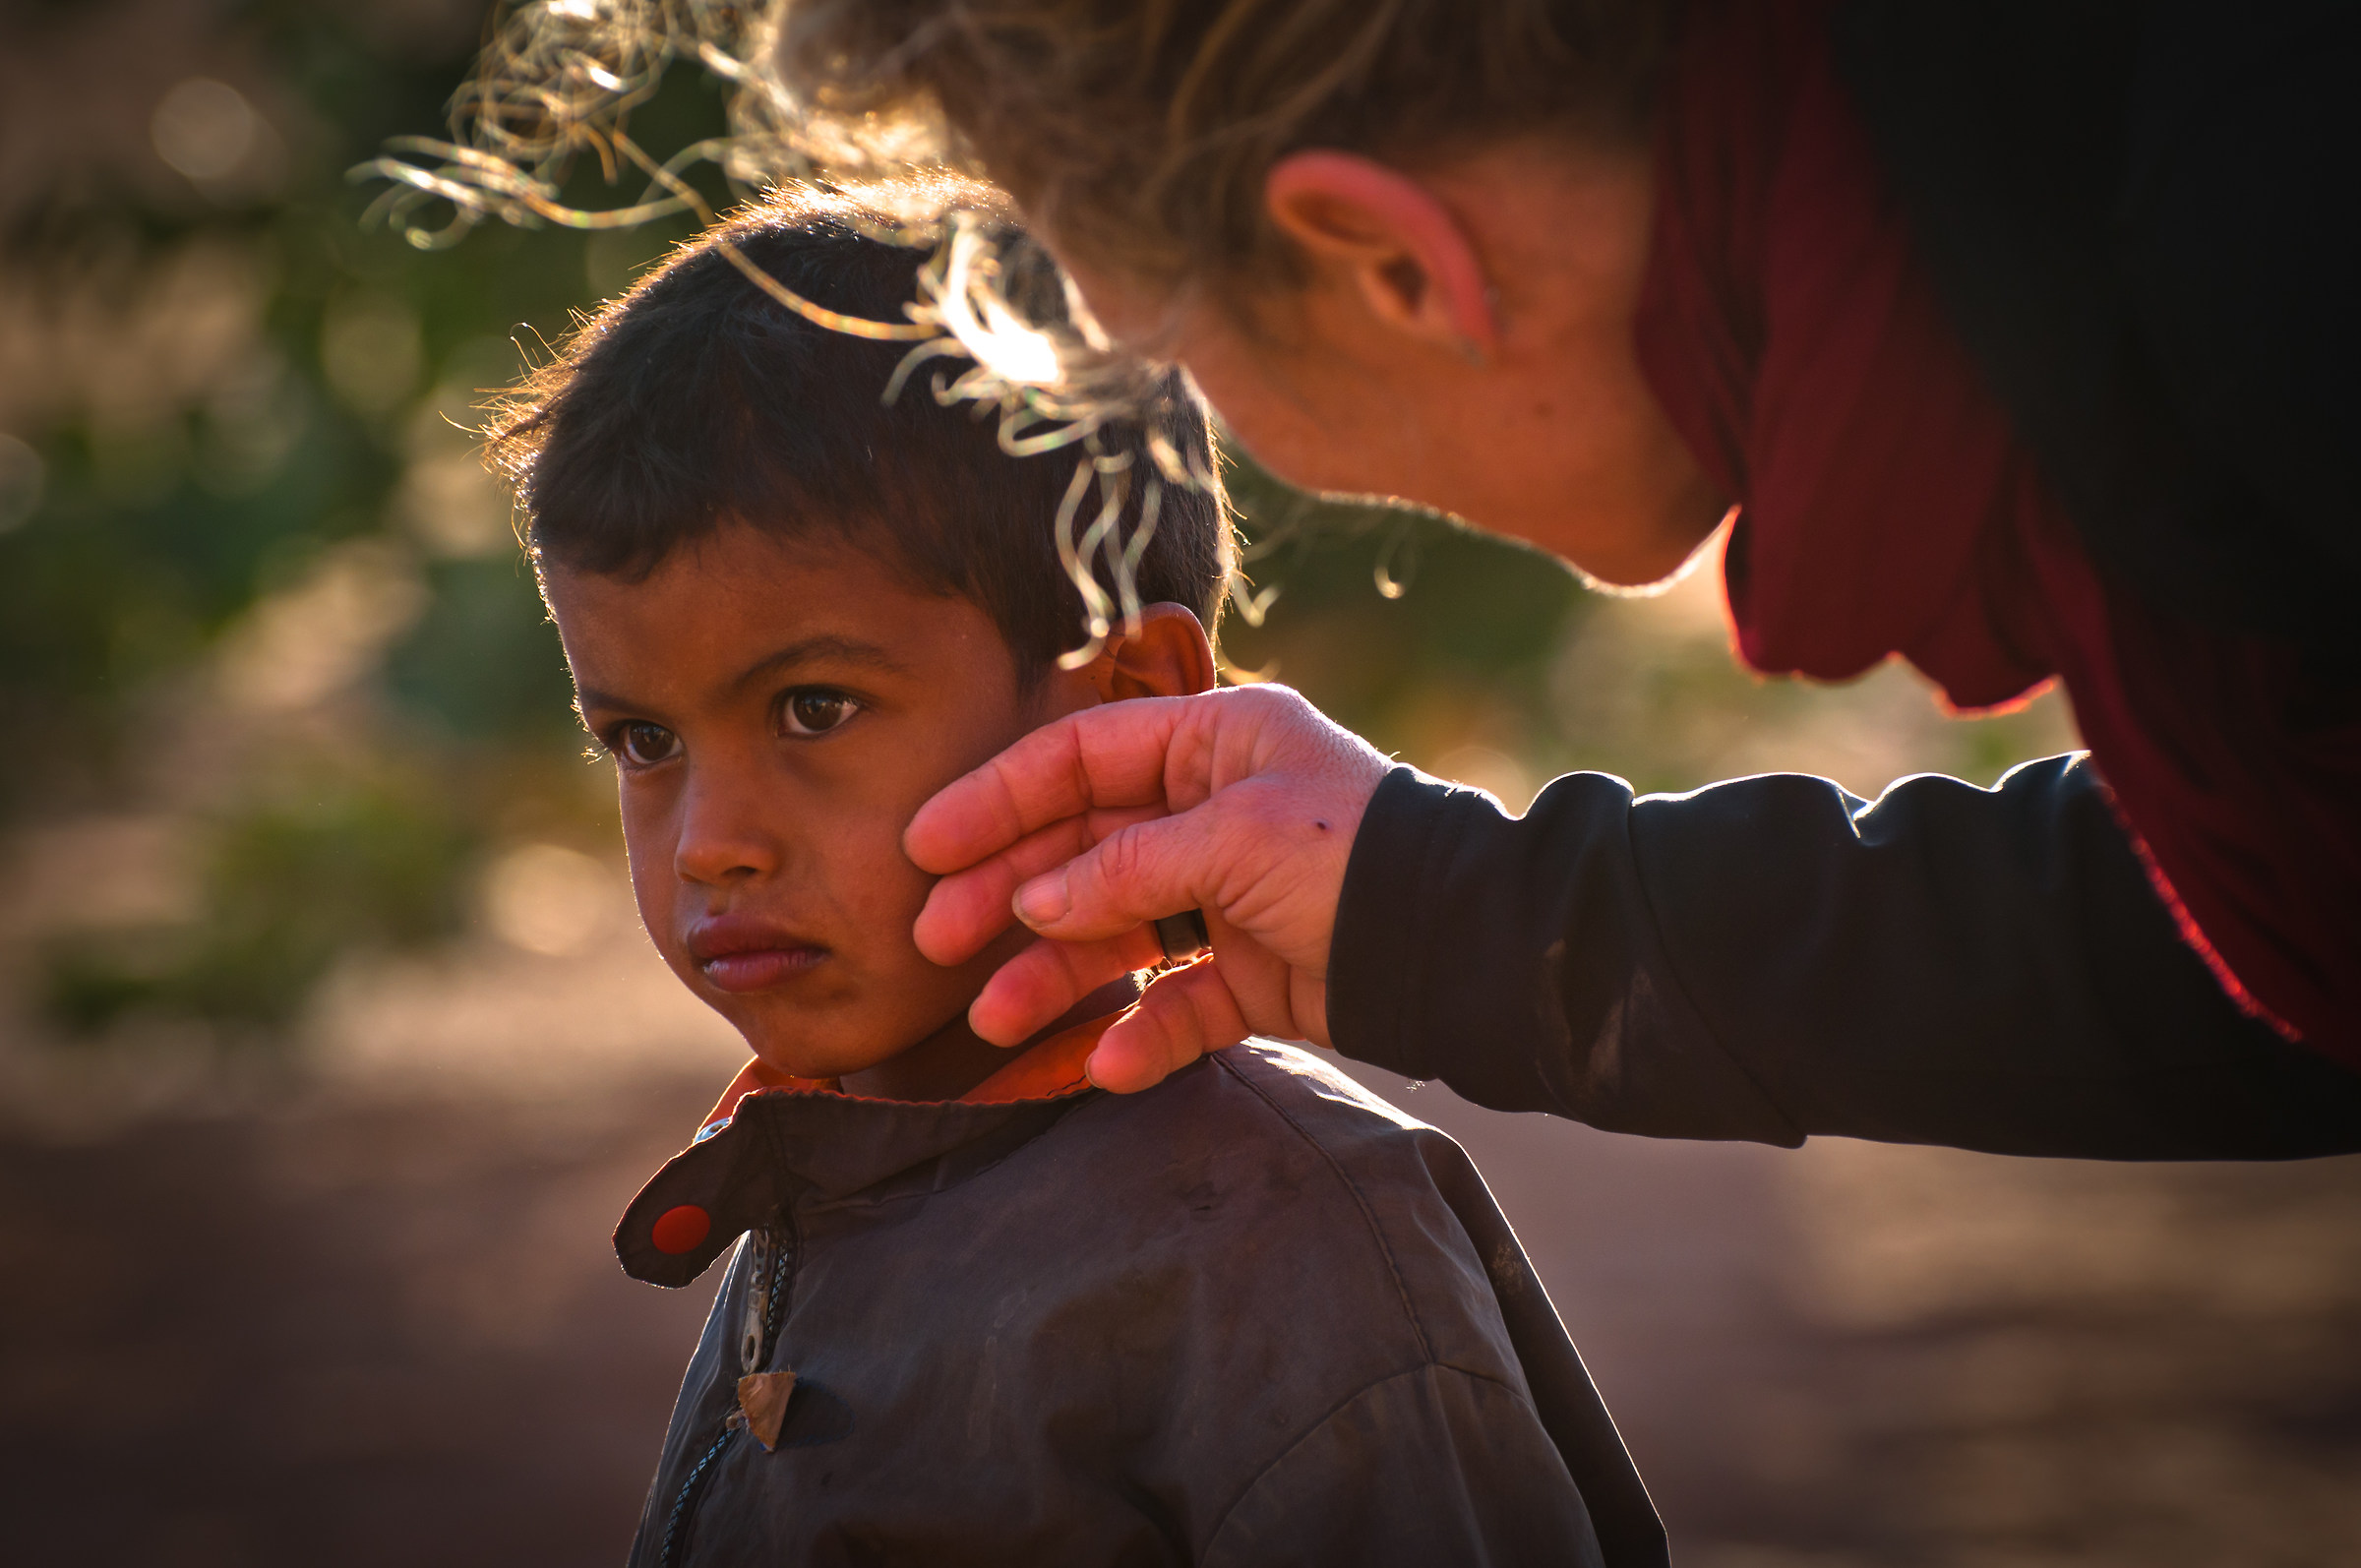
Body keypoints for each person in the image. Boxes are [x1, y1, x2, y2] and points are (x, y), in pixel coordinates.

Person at [759, 0, 2361, 1154]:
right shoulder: (2087, 166)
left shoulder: (2266, 220)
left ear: (1396, 263)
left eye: (1177, 350)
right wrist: (1434, 912)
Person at [493, 186, 1667, 1567]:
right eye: (643, 739)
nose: (708, 841)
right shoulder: (832, 1164)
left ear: (1125, 709)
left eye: (813, 708)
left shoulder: (1283, 1251)